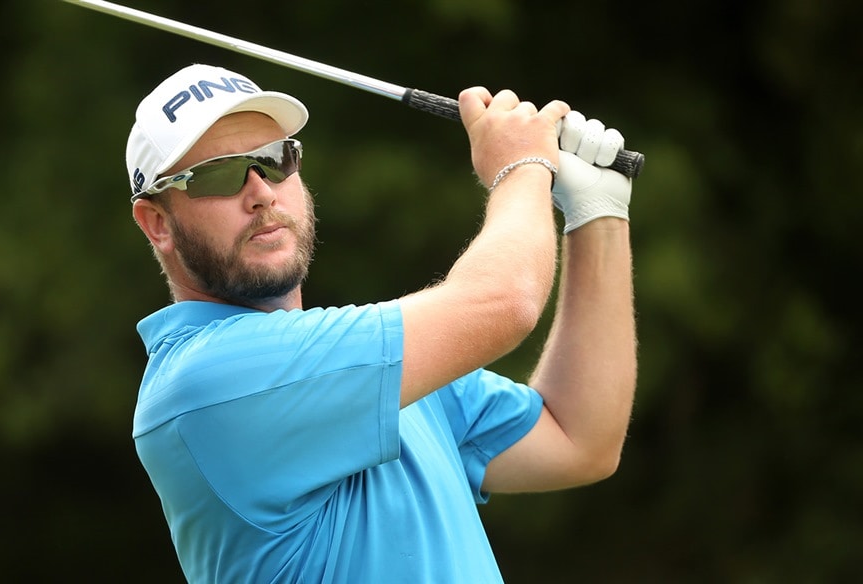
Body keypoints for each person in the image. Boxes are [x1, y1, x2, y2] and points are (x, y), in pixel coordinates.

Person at [126, 63, 637, 583]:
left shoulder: (381, 371)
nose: (261, 192)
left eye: (274, 159)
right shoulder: (206, 381)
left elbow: (580, 440)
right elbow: (503, 302)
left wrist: (598, 212)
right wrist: (523, 165)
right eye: (218, 173)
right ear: (159, 224)